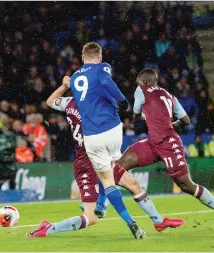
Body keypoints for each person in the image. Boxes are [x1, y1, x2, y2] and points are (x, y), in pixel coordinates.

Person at [28, 83, 183, 238]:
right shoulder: (91, 107)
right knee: (92, 218)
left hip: (98, 154)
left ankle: (158, 221)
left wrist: (63, 86)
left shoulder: (69, 102)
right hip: (86, 161)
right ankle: (48, 228)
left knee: (132, 184)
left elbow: (50, 102)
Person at [109, 68, 214, 230]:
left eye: (139, 84)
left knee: (186, 185)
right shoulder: (170, 96)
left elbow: (136, 114)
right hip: (154, 142)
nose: (138, 87)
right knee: (118, 166)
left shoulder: (141, 89)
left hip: (168, 145)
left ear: (144, 83)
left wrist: (141, 117)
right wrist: (167, 125)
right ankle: (101, 204)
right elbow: (186, 120)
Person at [71, 42, 145, 239]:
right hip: (112, 129)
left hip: (92, 134)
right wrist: (122, 100)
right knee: (114, 167)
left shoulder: (74, 78)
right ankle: (104, 203)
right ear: (100, 57)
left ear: (82, 57)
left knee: (106, 178)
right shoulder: (103, 68)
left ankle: (130, 221)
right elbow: (104, 81)